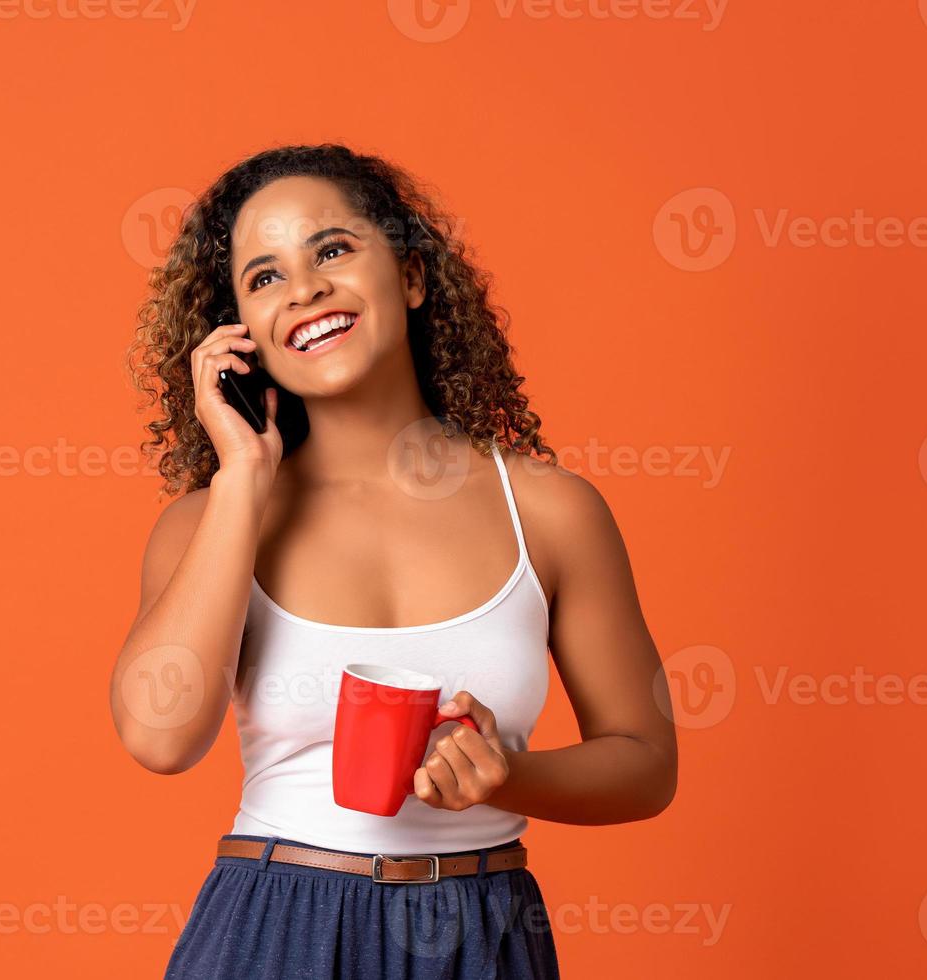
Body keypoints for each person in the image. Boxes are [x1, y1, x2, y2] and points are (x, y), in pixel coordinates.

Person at [110, 143, 678, 979]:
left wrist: (507, 777)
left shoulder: (552, 513)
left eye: (332, 250)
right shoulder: (209, 523)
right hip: (275, 926)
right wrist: (243, 477)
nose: (302, 288)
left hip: (484, 931)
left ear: (411, 278)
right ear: (240, 335)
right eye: (264, 277)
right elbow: (159, 739)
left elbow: (646, 764)